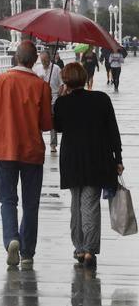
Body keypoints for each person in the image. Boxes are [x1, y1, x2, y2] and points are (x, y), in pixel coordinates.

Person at [0, 40, 53, 268]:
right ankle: (27, 253)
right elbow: (45, 124)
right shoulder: (41, 86)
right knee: (31, 204)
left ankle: (12, 238)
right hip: (32, 151)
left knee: (8, 200)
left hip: (4, 149)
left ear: (15, 57)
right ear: (34, 61)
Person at [54, 62, 124, 270]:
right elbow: (113, 129)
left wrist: (59, 98)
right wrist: (118, 158)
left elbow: (57, 127)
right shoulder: (101, 99)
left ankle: (79, 248)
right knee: (90, 204)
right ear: (84, 79)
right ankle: (89, 250)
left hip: (72, 160)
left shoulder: (62, 103)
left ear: (66, 81)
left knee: (76, 204)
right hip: (97, 159)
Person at [33, 50, 62, 153]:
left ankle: (53, 145)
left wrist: (59, 93)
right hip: (41, 99)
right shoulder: (37, 69)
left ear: (50, 59)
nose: (44, 62)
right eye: (42, 60)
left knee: (52, 123)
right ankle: (38, 142)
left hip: (53, 99)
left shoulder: (56, 69)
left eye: (46, 60)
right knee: (39, 121)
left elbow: (62, 84)